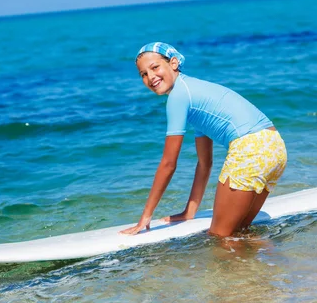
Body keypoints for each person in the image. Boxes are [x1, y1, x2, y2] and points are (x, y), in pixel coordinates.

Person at [120, 42, 287, 237]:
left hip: (250, 150)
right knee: (240, 233)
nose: (150, 77)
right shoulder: (194, 92)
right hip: (274, 147)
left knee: (220, 237)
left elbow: (168, 164)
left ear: (173, 63)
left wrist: (145, 218)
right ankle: (279, 264)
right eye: (143, 74)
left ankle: (282, 263)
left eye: (155, 67)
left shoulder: (178, 96)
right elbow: (205, 163)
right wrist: (190, 210)